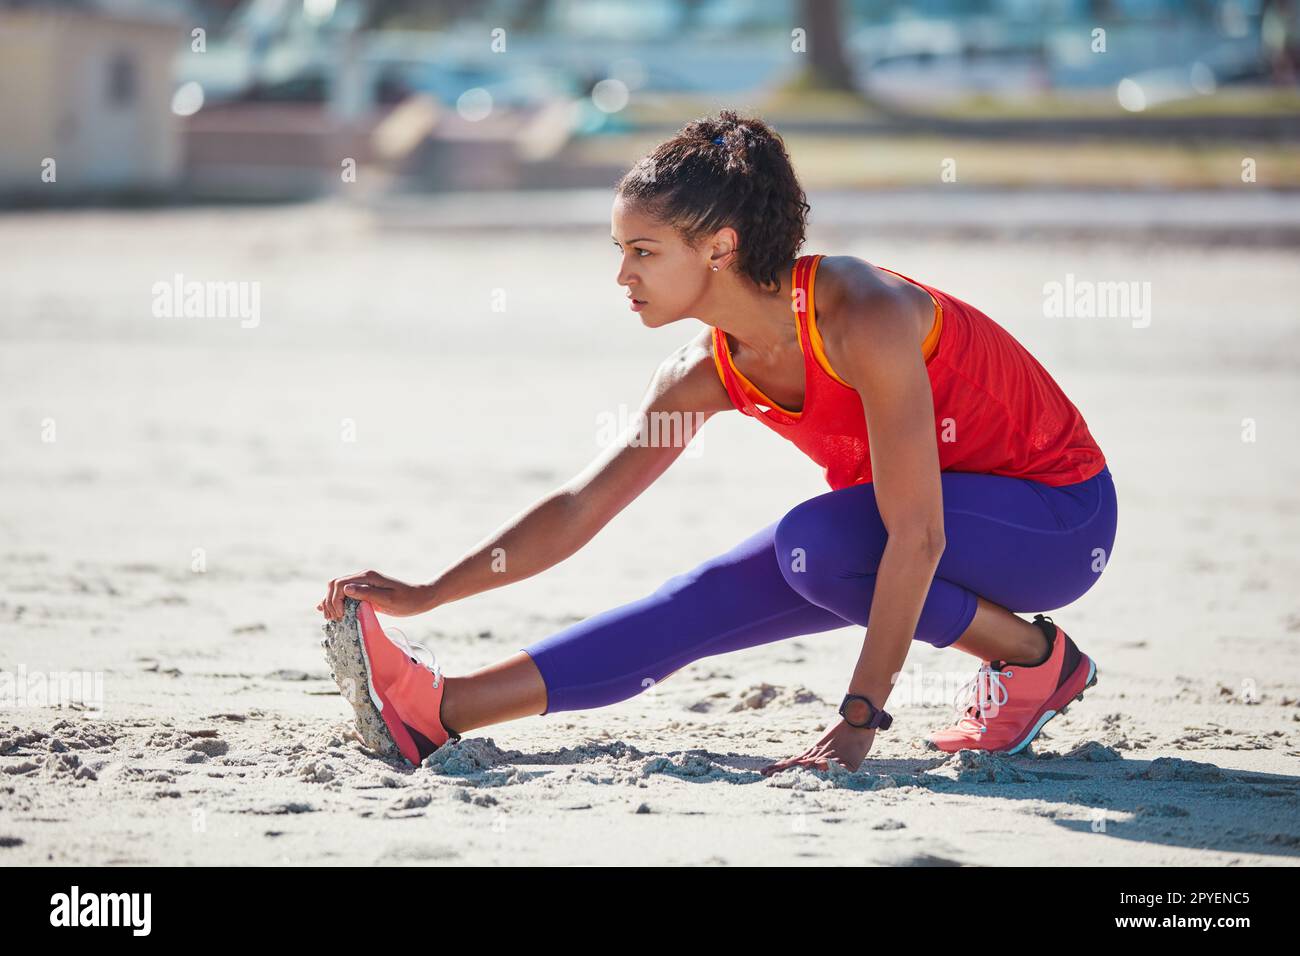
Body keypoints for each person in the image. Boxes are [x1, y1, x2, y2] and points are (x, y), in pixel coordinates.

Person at [317, 109, 1117, 776]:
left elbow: (919, 533)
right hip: (897, 532)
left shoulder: (861, 314)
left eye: (643, 252)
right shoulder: (703, 371)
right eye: (620, 253)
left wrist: (861, 717)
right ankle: (439, 710)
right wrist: (429, 593)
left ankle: (1034, 657)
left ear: (721, 248)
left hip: (1058, 521)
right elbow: (578, 509)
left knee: (814, 546)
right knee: (701, 599)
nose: (623, 277)